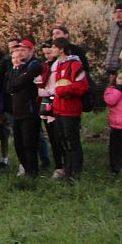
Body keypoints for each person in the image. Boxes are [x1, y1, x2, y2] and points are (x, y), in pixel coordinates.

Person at [42, 38, 88, 181]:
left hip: (71, 109)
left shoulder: (74, 64)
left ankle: (76, 172)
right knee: (62, 141)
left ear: (61, 49)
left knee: (72, 141)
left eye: (54, 47)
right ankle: (68, 169)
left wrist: (62, 90)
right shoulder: (58, 65)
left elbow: (82, 86)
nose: (51, 50)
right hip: (59, 109)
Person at [5, 41, 44, 178]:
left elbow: (23, 81)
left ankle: (32, 172)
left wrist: (17, 82)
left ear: (31, 50)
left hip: (29, 110)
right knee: (18, 143)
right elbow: (9, 87)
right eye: (18, 52)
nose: (20, 54)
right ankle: (26, 168)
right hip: (17, 111)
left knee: (29, 142)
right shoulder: (14, 70)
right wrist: (17, 81)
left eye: (23, 50)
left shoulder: (34, 65)